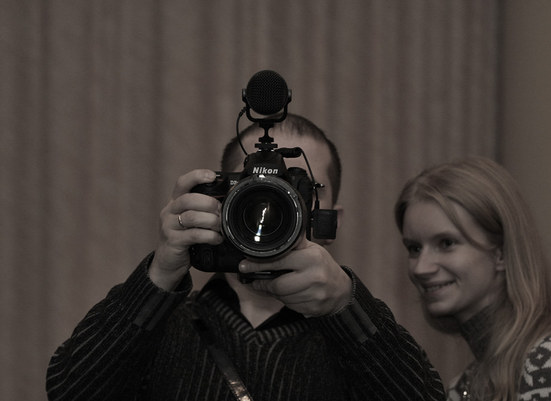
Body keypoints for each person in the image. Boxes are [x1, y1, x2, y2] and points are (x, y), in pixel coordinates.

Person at [47, 113, 445, 401]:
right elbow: (70, 390)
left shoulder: (356, 337)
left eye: (300, 189)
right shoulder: (165, 327)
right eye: (254, 187)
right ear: (219, 201)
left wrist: (348, 307)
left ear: (329, 221)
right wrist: (159, 276)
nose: (276, 204)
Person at [394, 156, 551, 401]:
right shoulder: (462, 386)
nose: (421, 268)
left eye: (446, 243)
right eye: (414, 248)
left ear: (501, 252)